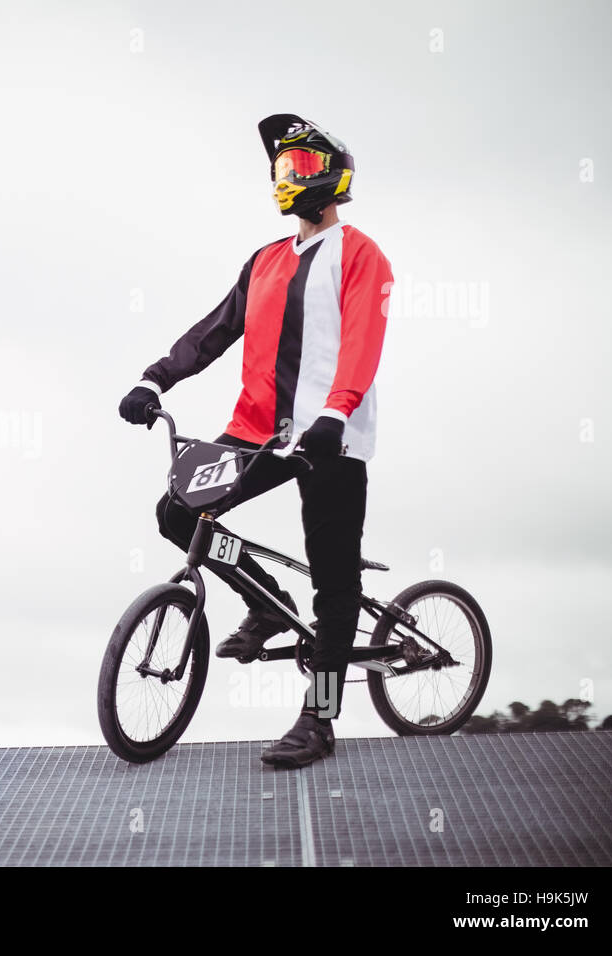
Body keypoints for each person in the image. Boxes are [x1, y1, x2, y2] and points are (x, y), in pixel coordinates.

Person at [118, 114, 393, 768]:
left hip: (333, 439)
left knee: (334, 583)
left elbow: (362, 343)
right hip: (255, 432)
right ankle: (268, 605)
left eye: (298, 168)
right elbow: (213, 332)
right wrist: (154, 380)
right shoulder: (265, 261)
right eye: (280, 169)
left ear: (331, 175)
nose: (286, 179)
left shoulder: (361, 254)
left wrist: (336, 412)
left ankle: (319, 719)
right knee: (177, 511)